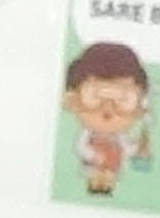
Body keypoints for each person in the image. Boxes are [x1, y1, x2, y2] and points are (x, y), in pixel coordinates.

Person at [59, 42, 151, 197]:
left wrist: (138, 148)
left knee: (108, 175)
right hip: (94, 163)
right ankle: (95, 184)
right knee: (94, 174)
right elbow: (80, 147)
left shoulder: (120, 136)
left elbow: (126, 148)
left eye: (122, 100)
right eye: (96, 97)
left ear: (139, 107)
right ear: (72, 100)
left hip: (112, 165)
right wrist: (95, 156)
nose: (108, 108)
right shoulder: (88, 133)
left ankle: (107, 186)